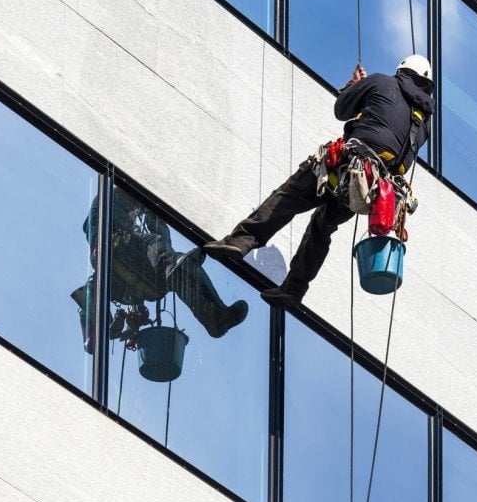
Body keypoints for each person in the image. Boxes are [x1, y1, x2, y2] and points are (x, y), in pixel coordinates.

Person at [204, 54, 435, 306]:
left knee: (290, 196)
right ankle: (293, 289)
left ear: (401, 71)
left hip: (346, 165)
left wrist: (355, 86)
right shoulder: (423, 123)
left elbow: (341, 110)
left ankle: (241, 241)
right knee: (322, 227)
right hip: (368, 188)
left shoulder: (381, 82)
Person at [72, 189, 249, 354]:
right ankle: (175, 267)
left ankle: (216, 317)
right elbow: (155, 228)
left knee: (180, 268)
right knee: (159, 247)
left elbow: (157, 227)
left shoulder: (116, 218)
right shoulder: (111, 204)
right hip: (118, 256)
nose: (135, 217)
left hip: (143, 282)